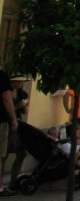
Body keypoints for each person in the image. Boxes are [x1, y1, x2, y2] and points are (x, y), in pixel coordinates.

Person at [0, 68, 22, 197]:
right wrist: (13, 119)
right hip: (1, 120)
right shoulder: (2, 76)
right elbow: (6, 99)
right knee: (1, 154)